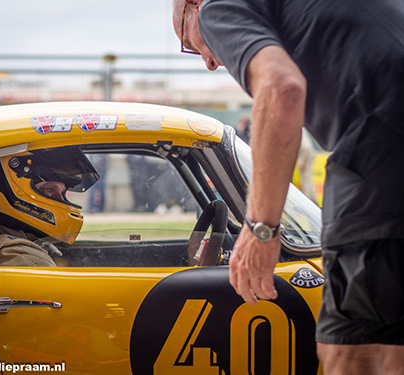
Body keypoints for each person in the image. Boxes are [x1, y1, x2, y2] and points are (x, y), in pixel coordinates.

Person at [172, 0, 404, 374]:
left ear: (191, 6)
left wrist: (260, 228)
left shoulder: (216, 7)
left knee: (351, 352)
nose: (208, 62)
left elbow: (281, 88)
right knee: (391, 348)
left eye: (187, 41)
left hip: (381, 148)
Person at [0, 145, 100, 267]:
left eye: (62, 192)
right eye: (49, 190)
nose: (60, 200)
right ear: (12, 190)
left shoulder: (26, 244)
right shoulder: (21, 256)